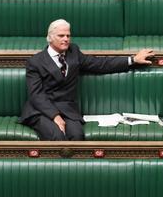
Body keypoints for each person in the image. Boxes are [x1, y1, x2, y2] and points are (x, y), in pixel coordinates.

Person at [19, 19, 155, 141]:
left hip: (67, 109)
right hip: (41, 111)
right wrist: (55, 116)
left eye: (68, 35)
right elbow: (36, 95)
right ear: (50, 38)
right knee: (57, 136)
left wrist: (132, 60)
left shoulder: (74, 52)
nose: (66, 39)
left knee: (77, 136)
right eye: (61, 36)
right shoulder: (35, 61)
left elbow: (100, 64)